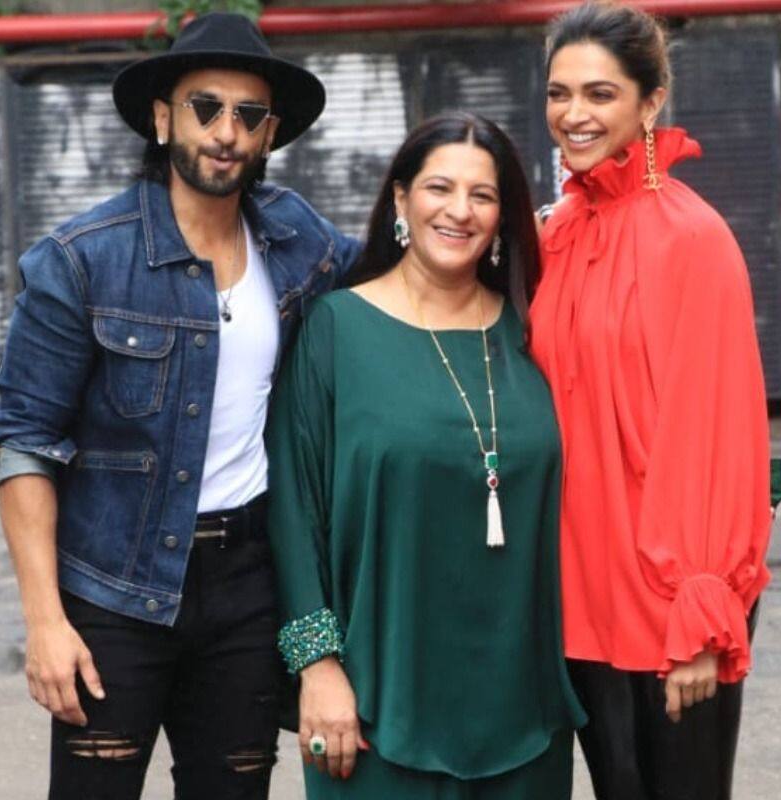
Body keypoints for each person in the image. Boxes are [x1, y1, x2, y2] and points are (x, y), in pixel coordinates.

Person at [0, 13, 360, 800]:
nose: (226, 132)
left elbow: (401, 281)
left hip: (249, 588)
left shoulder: (296, 239)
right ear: (163, 117)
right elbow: (23, 442)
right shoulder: (83, 260)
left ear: (270, 133)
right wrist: (44, 621)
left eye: (248, 116)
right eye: (205, 108)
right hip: (112, 590)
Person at [265, 112, 586, 800]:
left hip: (523, 711)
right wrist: (316, 668)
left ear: (503, 217)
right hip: (375, 708)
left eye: (484, 195)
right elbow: (294, 513)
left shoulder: (535, 328)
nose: (460, 211)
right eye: (440, 188)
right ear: (401, 198)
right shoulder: (335, 329)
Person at [530, 4, 774, 799]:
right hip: (579, 598)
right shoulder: (552, 237)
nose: (575, 114)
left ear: (650, 101)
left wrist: (699, 612)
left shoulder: (692, 239)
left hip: (672, 605)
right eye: (559, 93)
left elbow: (715, 438)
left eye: (600, 94)